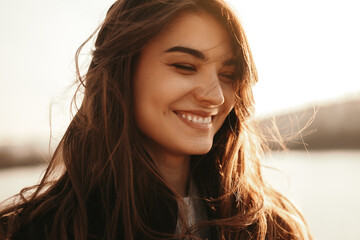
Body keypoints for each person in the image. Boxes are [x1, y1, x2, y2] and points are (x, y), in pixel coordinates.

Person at [0, 0, 313, 239]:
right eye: (185, 66)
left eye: (228, 75)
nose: (216, 96)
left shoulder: (273, 228)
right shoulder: (31, 230)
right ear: (122, 72)